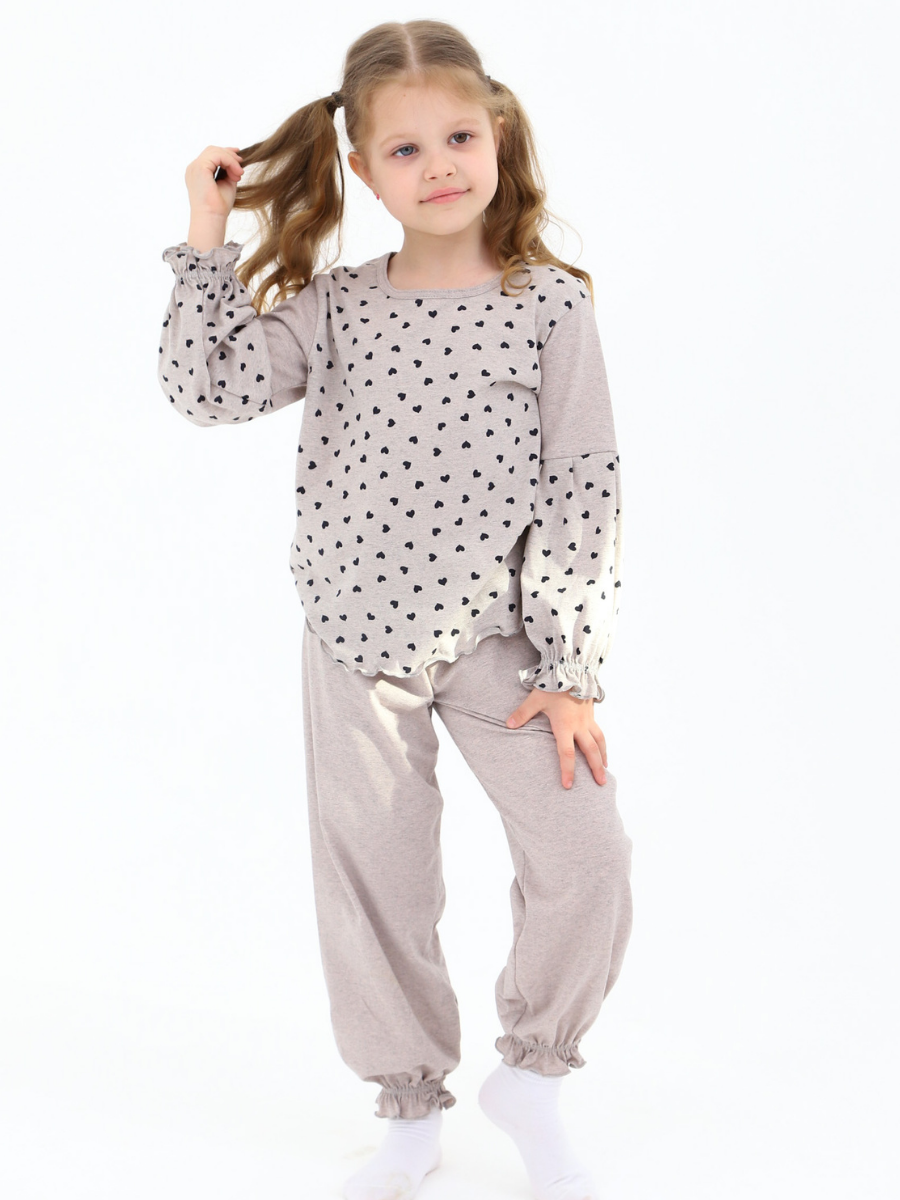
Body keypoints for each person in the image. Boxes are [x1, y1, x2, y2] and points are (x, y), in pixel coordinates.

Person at [156, 18, 633, 1200]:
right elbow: (207, 389)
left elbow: (582, 487)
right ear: (363, 170)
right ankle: (409, 1108)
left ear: (498, 133)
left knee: (587, 855)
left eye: (459, 137)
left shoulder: (548, 306)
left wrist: (570, 669)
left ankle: (534, 1076)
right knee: (377, 884)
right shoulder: (338, 307)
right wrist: (209, 233)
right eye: (406, 150)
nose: (440, 167)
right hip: (355, 644)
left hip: (501, 647)